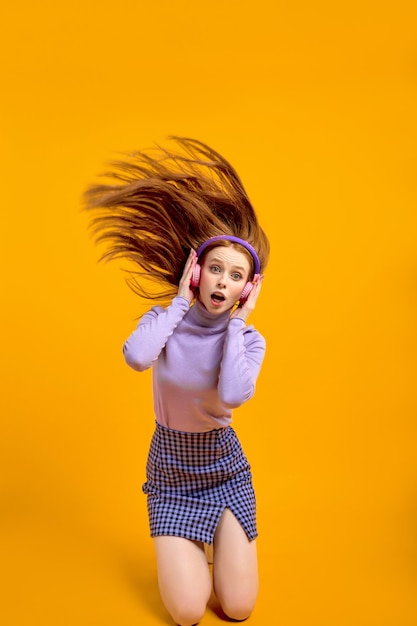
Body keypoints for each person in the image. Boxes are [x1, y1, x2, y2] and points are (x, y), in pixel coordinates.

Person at [84, 137, 270, 625]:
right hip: (170, 472)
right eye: (214, 269)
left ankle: (215, 548)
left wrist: (237, 323)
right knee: (188, 612)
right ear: (198, 272)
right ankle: (190, 549)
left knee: (239, 607)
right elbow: (136, 358)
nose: (222, 282)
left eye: (236, 276)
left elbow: (232, 393)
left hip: (225, 469)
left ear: (246, 288)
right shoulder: (166, 321)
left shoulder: (249, 342)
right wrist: (178, 305)